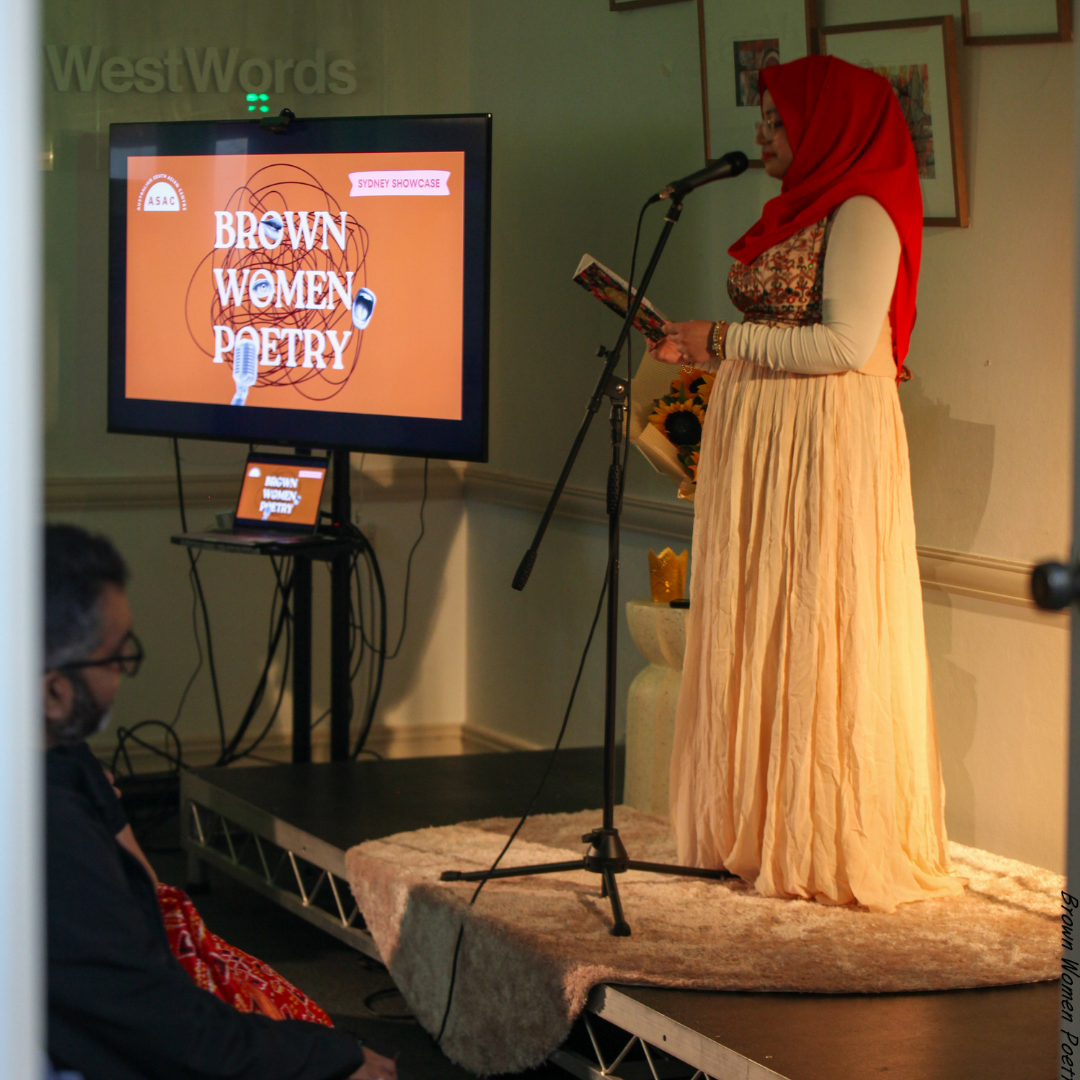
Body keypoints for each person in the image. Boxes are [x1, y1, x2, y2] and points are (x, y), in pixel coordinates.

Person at [648, 55, 964, 914]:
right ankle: (753, 824)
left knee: (814, 619)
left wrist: (722, 341)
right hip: (766, 436)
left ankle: (818, 833)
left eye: (778, 123)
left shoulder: (863, 212)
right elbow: (767, 326)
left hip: (821, 441)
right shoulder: (801, 208)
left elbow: (844, 347)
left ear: (830, 127)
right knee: (761, 617)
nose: (762, 137)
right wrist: (697, 343)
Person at [44, 524, 397, 1080]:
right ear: (54, 691)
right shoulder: (53, 837)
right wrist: (331, 1058)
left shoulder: (55, 766)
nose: (121, 675)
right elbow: (172, 1036)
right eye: (114, 659)